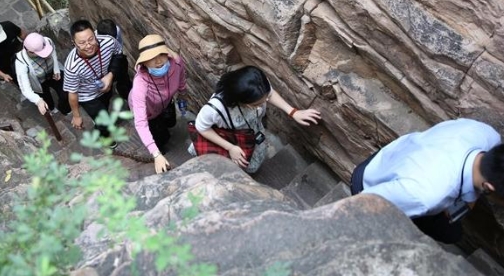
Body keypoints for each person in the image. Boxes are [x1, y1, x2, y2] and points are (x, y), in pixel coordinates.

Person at [351, 119, 504, 244]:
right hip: (371, 183)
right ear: (488, 187)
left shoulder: (487, 134)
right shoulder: (427, 196)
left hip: (395, 156)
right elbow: (364, 203)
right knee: (451, 233)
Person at [193, 66, 321, 173]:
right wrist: (231, 148)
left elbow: (269, 94)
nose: (265, 101)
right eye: (257, 104)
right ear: (242, 101)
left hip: (251, 133)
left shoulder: (257, 85)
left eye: (264, 99)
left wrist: (293, 112)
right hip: (231, 140)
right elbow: (201, 127)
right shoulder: (214, 109)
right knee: (230, 169)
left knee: (251, 161)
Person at [128, 34, 187, 174]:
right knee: (159, 136)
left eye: (161, 54)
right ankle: (160, 147)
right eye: (151, 57)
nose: (158, 61)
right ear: (144, 62)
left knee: (170, 122)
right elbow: (141, 123)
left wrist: (183, 96)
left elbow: (181, 79)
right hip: (149, 112)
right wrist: (156, 154)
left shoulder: (176, 63)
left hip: (165, 102)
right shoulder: (140, 84)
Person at [63, 19, 123, 144]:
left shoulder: (108, 42)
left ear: (95, 35)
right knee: (104, 119)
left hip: (106, 87)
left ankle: (101, 124)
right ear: (74, 43)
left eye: (91, 39)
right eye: (82, 43)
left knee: (104, 110)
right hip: (88, 96)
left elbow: (118, 54)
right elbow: (72, 93)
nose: (89, 45)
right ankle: (106, 137)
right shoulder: (72, 66)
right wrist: (77, 115)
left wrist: (110, 76)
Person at [15, 32, 70, 115]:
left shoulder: (47, 41)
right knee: (46, 99)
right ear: (30, 52)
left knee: (66, 92)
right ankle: (52, 109)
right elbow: (25, 89)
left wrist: (56, 69)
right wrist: (38, 100)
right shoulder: (21, 63)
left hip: (53, 73)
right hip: (39, 82)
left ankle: (64, 109)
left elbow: (53, 52)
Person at [97, 18, 132, 99]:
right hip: (103, 62)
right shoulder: (95, 39)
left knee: (124, 79)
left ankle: (125, 93)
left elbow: (119, 47)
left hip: (116, 57)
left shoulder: (117, 30)